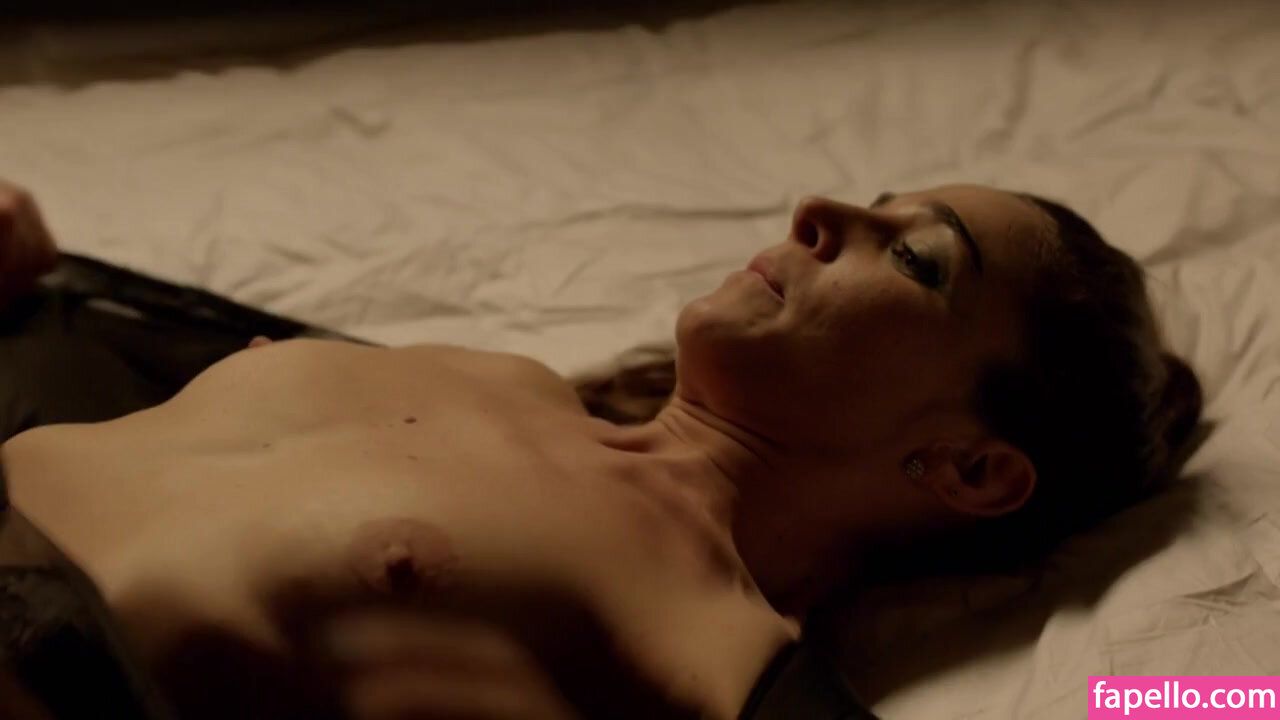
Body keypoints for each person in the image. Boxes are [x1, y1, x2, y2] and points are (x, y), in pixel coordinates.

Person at [0, 178, 1202, 720]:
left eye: (913, 257)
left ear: (971, 468)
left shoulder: (714, 644)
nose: (819, 211)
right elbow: (57, 344)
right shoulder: (489, 378)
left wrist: (1215, 693)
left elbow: (1164, 701)